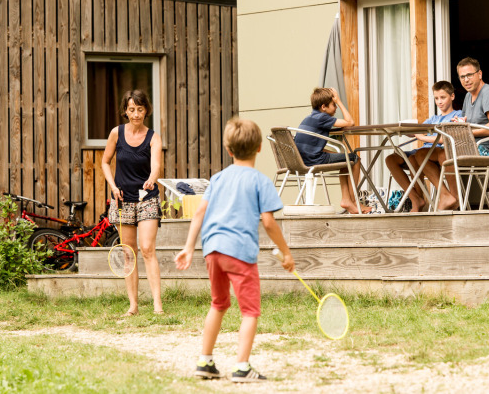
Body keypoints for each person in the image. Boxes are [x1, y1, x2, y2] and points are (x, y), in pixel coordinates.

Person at [175, 117, 295, 383]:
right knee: (250, 310)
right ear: (260, 148)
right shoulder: (260, 181)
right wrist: (286, 252)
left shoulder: (217, 178)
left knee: (218, 304)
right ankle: (242, 367)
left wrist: (188, 247)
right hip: (239, 252)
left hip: (212, 250)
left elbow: (199, 213)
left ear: (229, 150)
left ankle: (205, 361)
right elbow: (268, 222)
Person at [101, 89, 163, 317]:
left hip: (147, 197)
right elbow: (105, 162)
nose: (136, 114)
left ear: (146, 111)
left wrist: (151, 179)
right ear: (125, 111)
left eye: (140, 109)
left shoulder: (153, 137)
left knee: (147, 248)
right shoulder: (116, 133)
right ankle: (133, 306)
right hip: (122, 199)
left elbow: (156, 165)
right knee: (129, 252)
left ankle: (157, 305)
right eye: (131, 109)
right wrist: (112, 186)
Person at [385, 81, 463, 212]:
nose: (439, 102)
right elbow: (418, 132)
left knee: (417, 156)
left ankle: (444, 195)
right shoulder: (433, 119)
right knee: (391, 159)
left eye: (443, 97)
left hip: (439, 151)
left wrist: (421, 137)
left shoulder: (457, 115)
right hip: (425, 150)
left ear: (452, 96)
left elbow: (447, 139)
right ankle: (415, 199)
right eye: (436, 98)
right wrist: (408, 129)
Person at [295, 87, 371, 214]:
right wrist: (339, 101)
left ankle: (346, 200)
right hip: (314, 160)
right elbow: (350, 122)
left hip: (302, 160)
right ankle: (354, 202)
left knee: (344, 159)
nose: (336, 108)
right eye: (333, 105)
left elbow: (310, 145)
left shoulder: (309, 118)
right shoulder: (322, 117)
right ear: (323, 107)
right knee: (355, 159)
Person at [456, 57, 489, 156]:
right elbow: (466, 123)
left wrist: (467, 133)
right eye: (462, 77)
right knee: (426, 154)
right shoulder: (468, 96)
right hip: (472, 144)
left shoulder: (488, 93)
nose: (466, 80)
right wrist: (459, 123)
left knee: (445, 154)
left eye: (469, 75)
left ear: (479, 74)